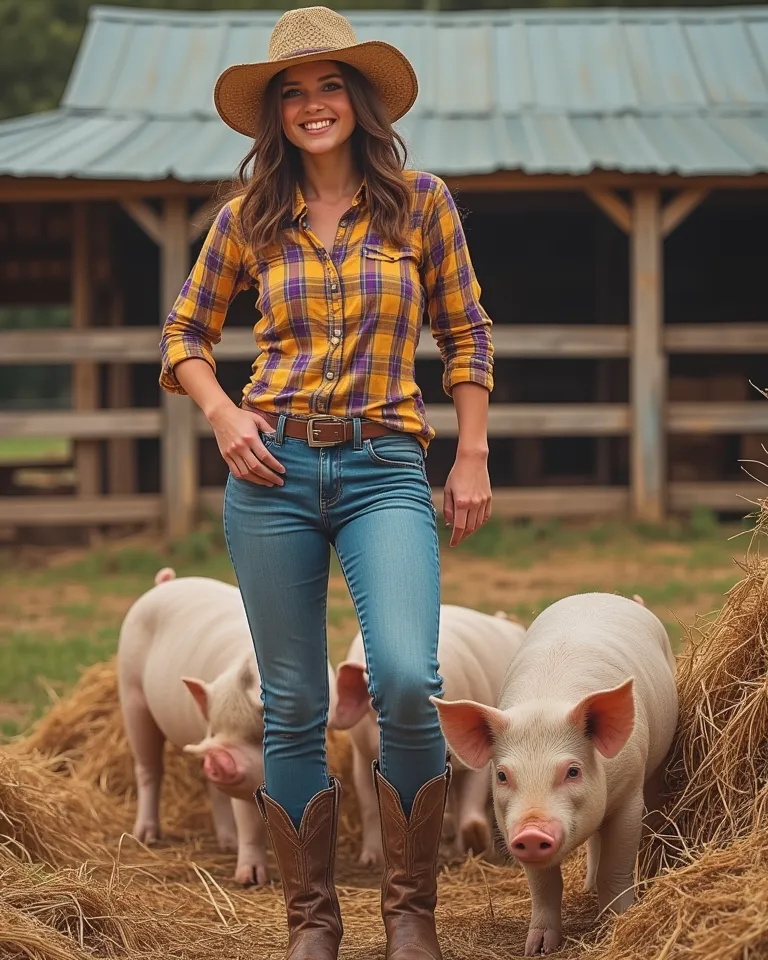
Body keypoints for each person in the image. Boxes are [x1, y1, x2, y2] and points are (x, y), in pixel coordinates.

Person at [159, 7, 494, 959]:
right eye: (293, 93)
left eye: (329, 85)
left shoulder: (422, 203)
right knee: (295, 700)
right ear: (275, 115)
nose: (313, 105)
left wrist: (468, 452)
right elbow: (184, 335)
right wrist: (223, 414)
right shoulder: (248, 221)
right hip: (271, 471)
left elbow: (467, 332)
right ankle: (312, 922)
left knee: (402, 675)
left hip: (386, 465)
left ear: (359, 100)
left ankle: (410, 912)